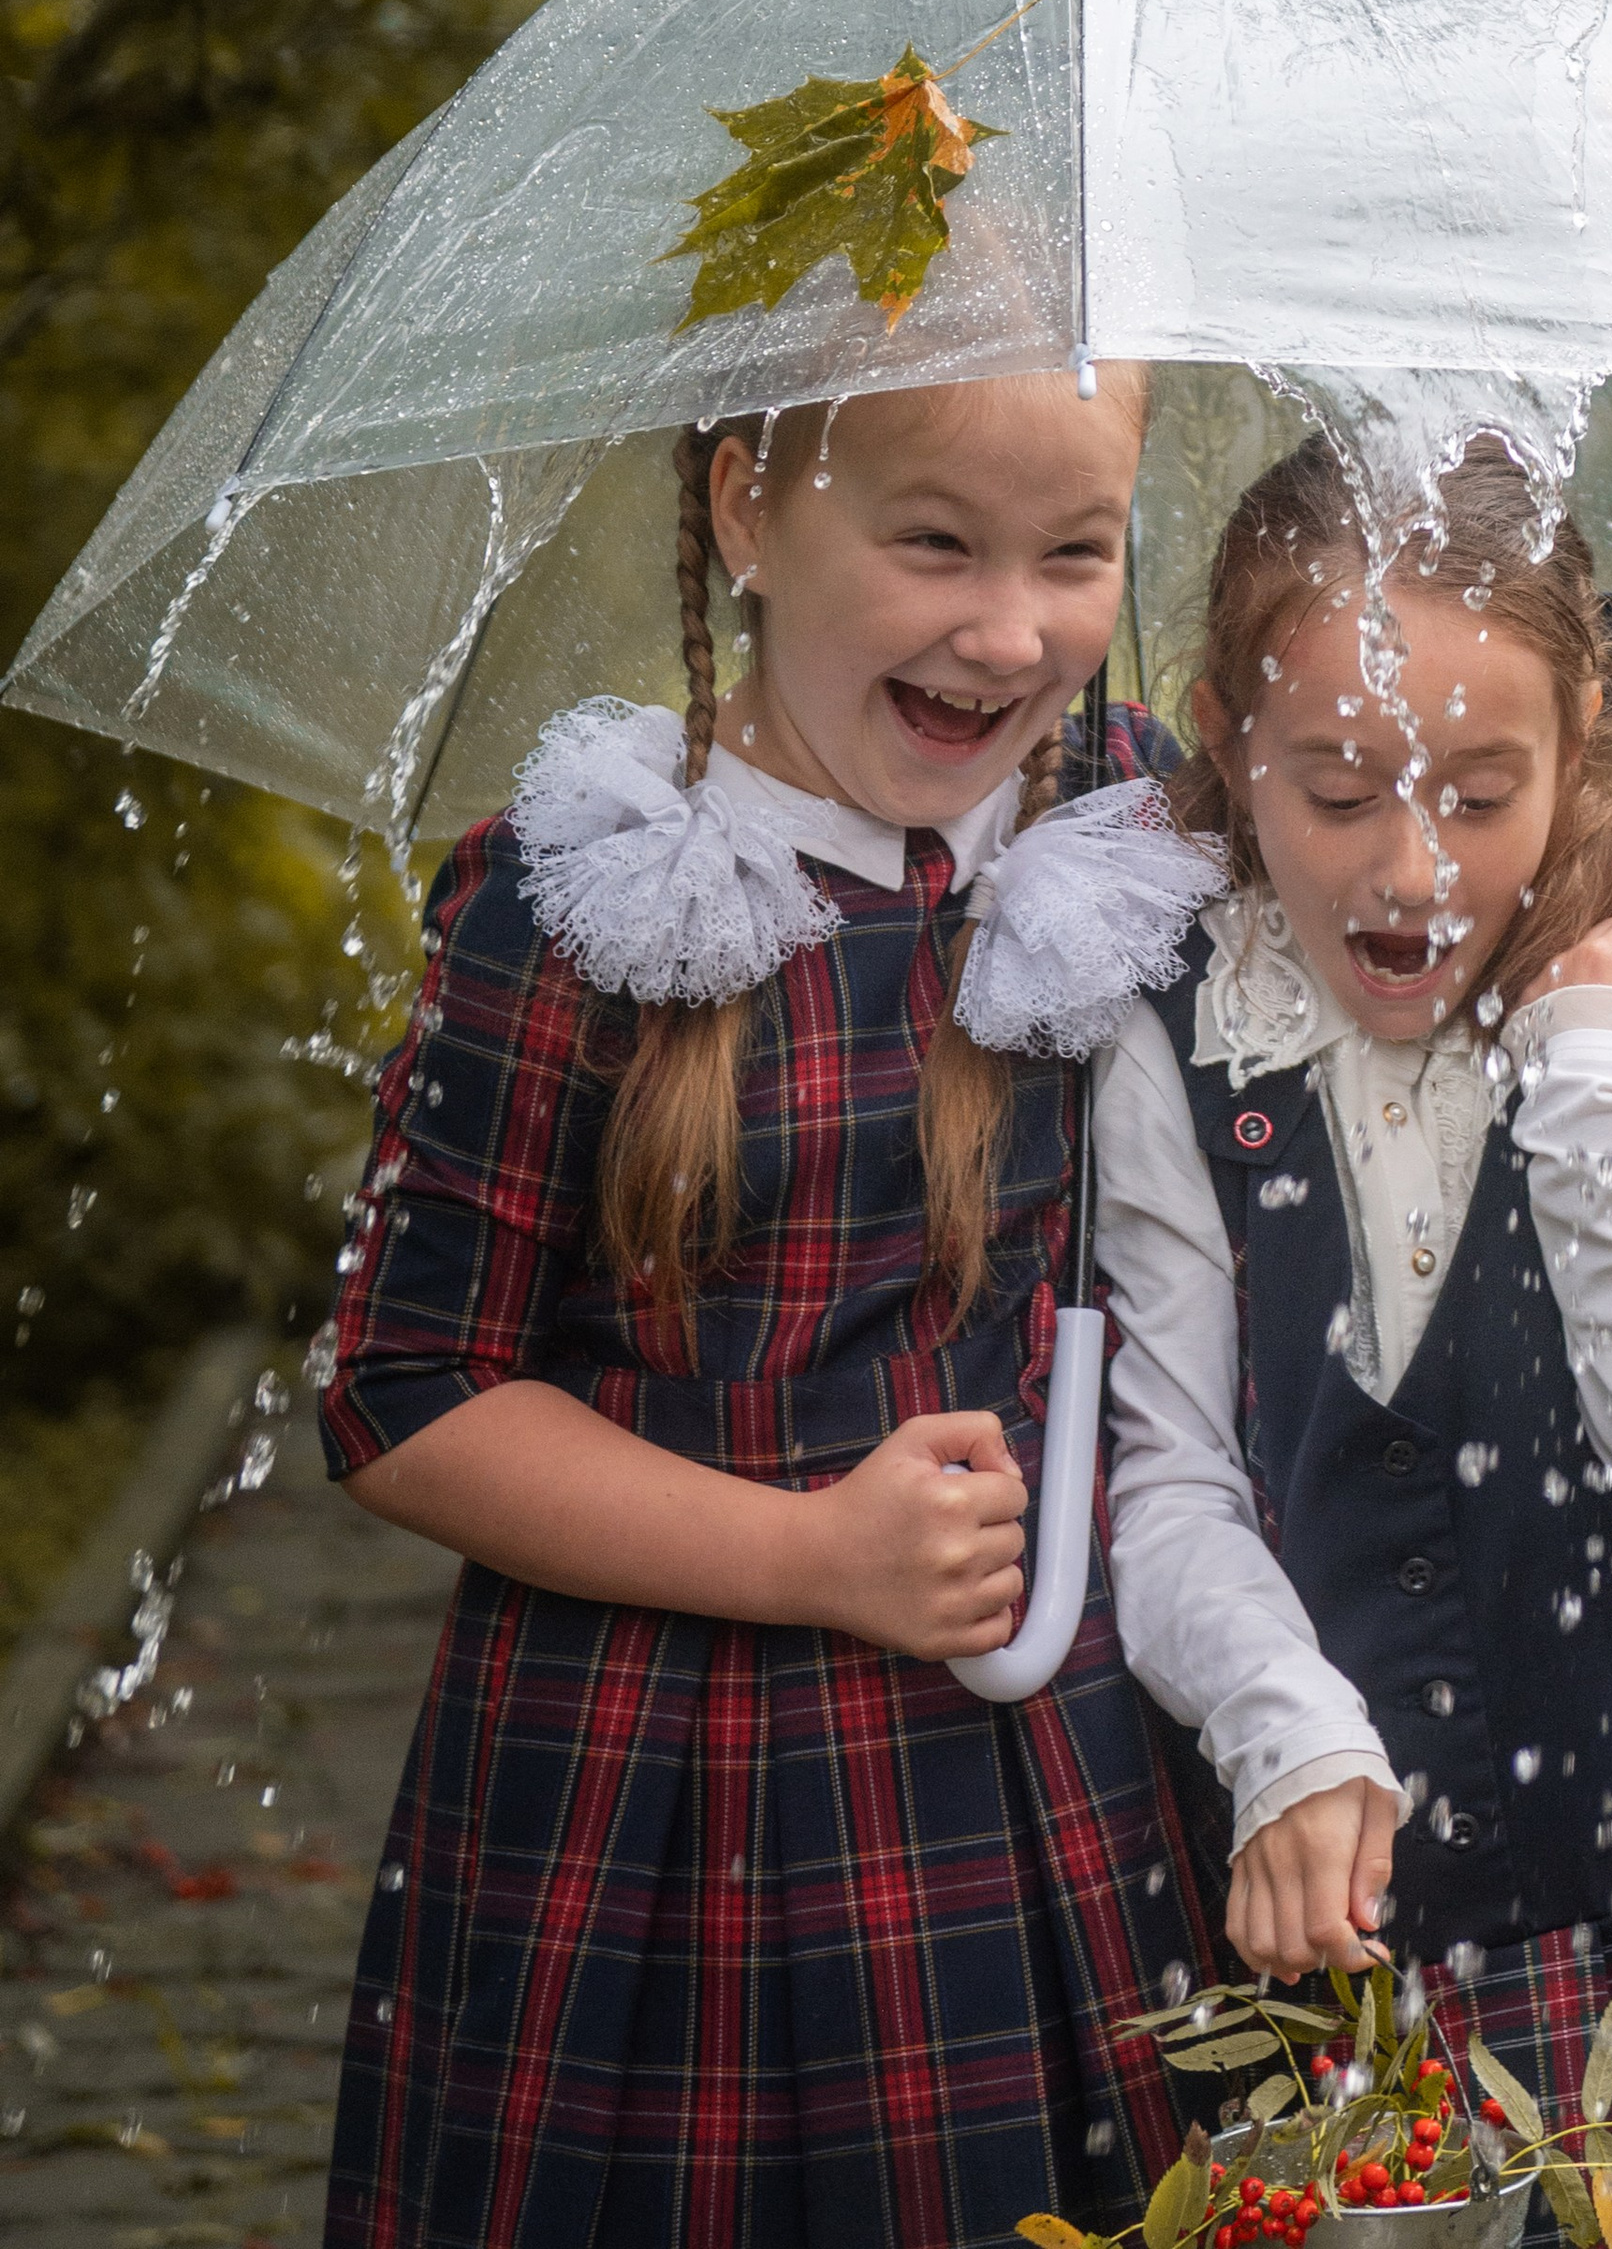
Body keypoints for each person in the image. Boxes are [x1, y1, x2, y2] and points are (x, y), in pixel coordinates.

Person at [315, 374, 1214, 2249]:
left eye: (1079, 553)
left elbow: (1456, 858)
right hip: (657, 1807)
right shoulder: (573, 900)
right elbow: (403, 1394)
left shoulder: (1127, 834)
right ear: (746, 509)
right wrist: (813, 1557)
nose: (1009, 629)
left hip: (1038, 1773)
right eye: (934, 540)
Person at [1076, 436, 1612, 2249]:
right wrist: (1290, 1733)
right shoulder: (1174, 1037)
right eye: (1338, 792)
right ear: (1227, 750)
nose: (1414, 867)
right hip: (1316, 1921)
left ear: (1582, 753)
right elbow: (1163, 1476)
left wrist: (1592, 1113)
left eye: (1485, 794)